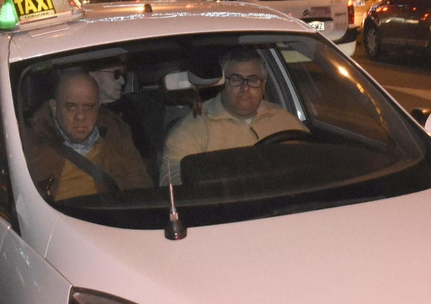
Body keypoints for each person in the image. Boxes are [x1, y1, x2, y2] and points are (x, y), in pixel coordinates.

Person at [160, 47, 306, 185]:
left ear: (264, 83)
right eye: (236, 79)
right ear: (221, 83)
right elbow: (172, 182)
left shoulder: (284, 119)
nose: (245, 87)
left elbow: (312, 162)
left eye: (253, 79)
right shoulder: (192, 129)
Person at [24, 70, 150, 201]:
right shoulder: (29, 143)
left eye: (89, 107)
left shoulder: (116, 134)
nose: (81, 116)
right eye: (71, 107)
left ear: (98, 107)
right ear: (54, 107)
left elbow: (141, 189)